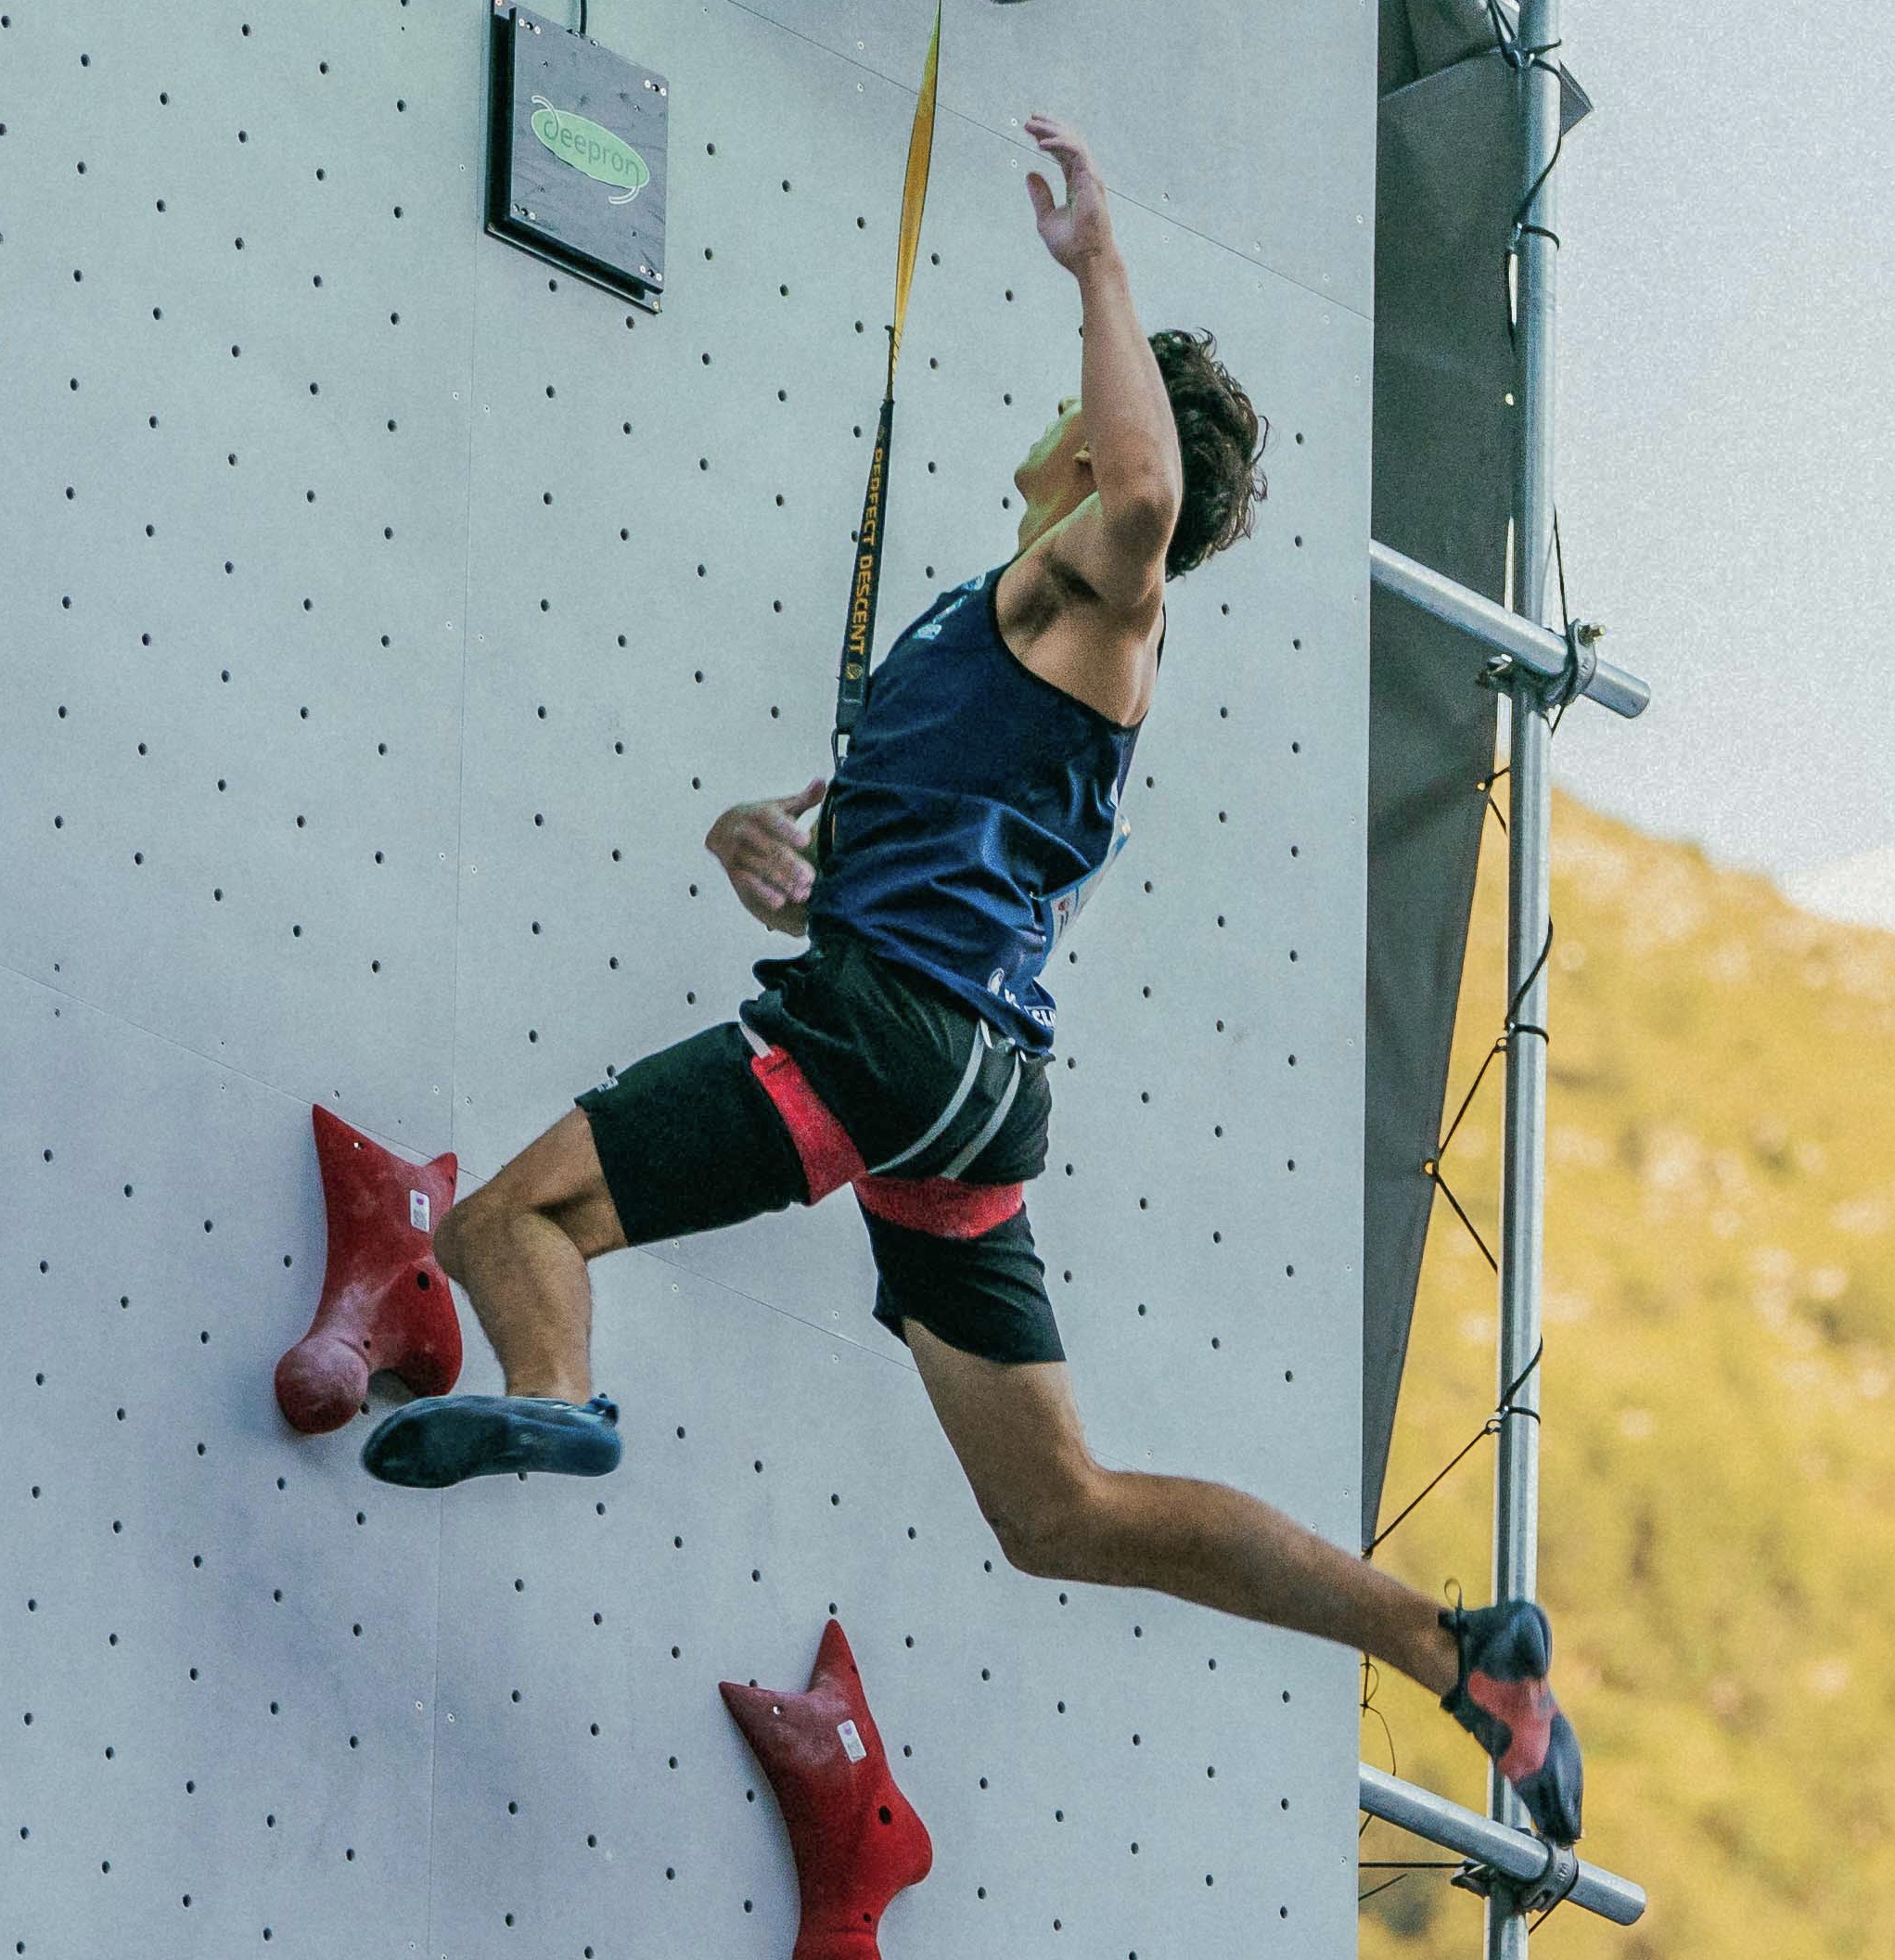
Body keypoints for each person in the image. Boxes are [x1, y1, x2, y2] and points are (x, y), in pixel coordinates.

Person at [367, 115, 1583, 1845]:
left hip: (896, 1044)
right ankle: (1457, 1653)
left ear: (1094, 438)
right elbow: (891, 854)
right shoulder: (994, 632)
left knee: (510, 1224)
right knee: (1059, 1509)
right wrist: (751, 839)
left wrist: (1101, 263)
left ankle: (556, 1402)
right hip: (960, 1091)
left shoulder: (1084, 599)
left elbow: (1146, 495)